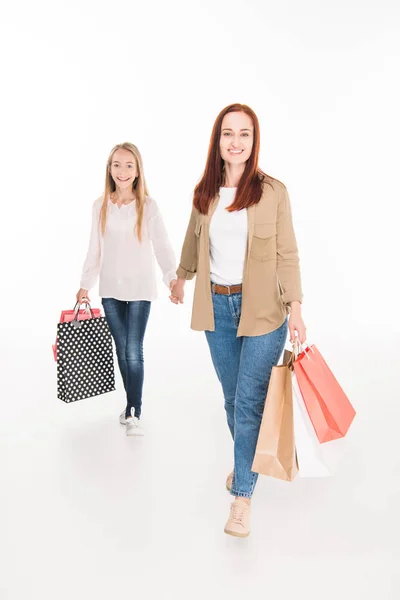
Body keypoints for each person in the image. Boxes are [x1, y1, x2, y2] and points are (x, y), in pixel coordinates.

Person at [170, 104, 306, 537]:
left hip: (264, 310)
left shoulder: (273, 192)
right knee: (233, 402)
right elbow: (195, 243)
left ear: (254, 139)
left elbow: (287, 253)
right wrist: (180, 279)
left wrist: (297, 308)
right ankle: (246, 463)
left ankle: (241, 498)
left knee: (249, 404)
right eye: (228, 133)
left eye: (244, 134)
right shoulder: (205, 191)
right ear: (218, 140)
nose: (235, 141)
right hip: (217, 310)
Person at [77, 142, 177, 436]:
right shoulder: (100, 205)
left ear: (137, 171)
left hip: (140, 289)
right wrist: (85, 286)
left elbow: (162, 246)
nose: (122, 171)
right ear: (110, 169)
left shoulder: (148, 206)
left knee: (134, 350)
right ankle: (130, 404)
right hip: (110, 289)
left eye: (128, 166)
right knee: (121, 350)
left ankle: (135, 410)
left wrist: (172, 278)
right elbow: (94, 249)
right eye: (117, 165)